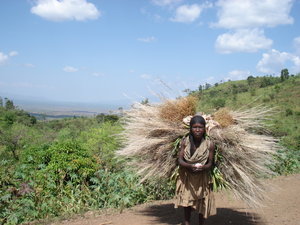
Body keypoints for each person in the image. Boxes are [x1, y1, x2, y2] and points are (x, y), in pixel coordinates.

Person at [174, 115, 216, 225]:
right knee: (186, 202)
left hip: (202, 178)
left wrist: (203, 168)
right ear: (190, 128)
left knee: (202, 202)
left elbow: (210, 163)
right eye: (195, 127)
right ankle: (186, 222)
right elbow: (180, 160)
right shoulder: (185, 142)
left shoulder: (209, 144)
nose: (197, 130)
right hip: (188, 177)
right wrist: (189, 166)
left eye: (200, 127)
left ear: (204, 128)